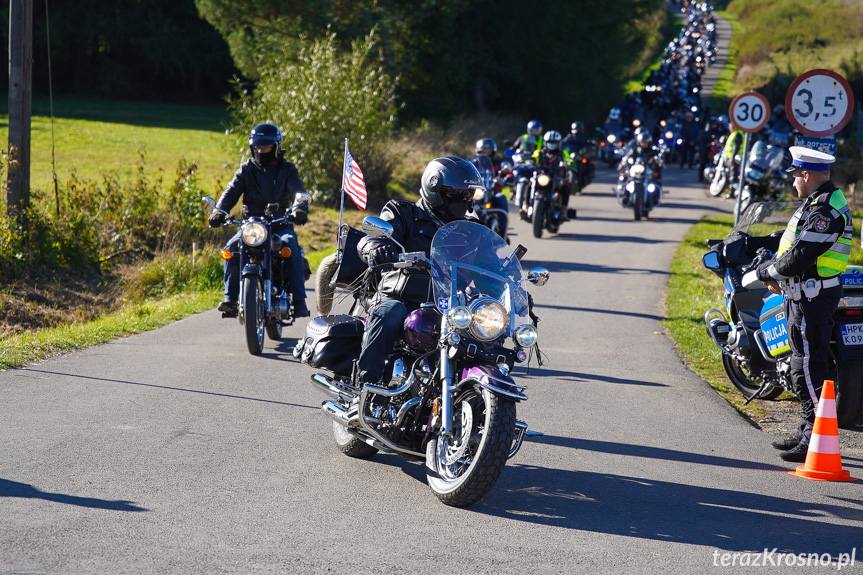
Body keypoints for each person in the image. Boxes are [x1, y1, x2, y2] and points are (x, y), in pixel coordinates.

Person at [755, 146, 853, 463]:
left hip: (813, 297)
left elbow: (801, 255)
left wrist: (766, 271)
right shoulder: (817, 203)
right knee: (803, 364)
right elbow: (794, 247)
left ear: (806, 175)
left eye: (796, 175)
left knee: (808, 367)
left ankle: (814, 436)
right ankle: (806, 430)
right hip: (803, 294)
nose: (794, 181)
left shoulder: (825, 212)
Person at [354, 156, 484, 386]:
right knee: (388, 314)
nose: (464, 200)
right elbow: (369, 240)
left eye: (468, 195)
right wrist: (378, 249)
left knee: (486, 330)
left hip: (451, 307)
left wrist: (510, 289)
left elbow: (488, 265)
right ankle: (366, 386)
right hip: (401, 299)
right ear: (434, 189)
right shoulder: (403, 213)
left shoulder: (471, 229)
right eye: (456, 194)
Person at [208, 123, 310, 318]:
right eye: (257, 147)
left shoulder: (287, 169)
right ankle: (230, 299)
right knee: (230, 248)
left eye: (266, 147)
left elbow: (298, 191)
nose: (261, 151)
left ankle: (299, 300)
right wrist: (219, 211)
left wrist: (300, 209)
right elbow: (231, 190)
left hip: (280, 224)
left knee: (291, 245)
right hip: (252, 226)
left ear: (276, 147)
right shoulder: (246, 169)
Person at [530, 130, 571, 220]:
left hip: (557, 176)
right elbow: (533, 157)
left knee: (566, 187)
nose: (552, 145)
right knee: (529, 184)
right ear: (545, 142)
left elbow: (569, 159)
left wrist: (569, 163)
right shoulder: (540, 152)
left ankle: (564, 210)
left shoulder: (563, 153)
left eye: (554, 143)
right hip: (542, 176)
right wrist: (529, 161)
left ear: (559, 143)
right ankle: (526, 206)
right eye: (549, 142)